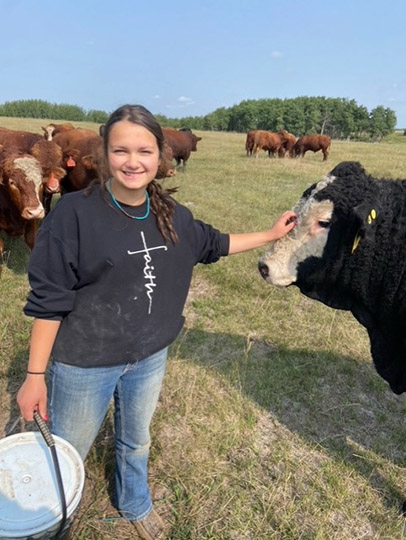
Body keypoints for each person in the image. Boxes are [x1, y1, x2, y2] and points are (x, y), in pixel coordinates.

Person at [17, 104, 296, 540]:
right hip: (85, 362)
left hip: (148, 356)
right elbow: (49, 301)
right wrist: (35, 376)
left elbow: (215, 243)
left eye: (144, 151)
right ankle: (49, 520)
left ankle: (135, 502)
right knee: (65, 451)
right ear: (103, 154)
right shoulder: (72, 215)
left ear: (159, 155)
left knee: (136, 439)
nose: (133, 161)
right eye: (121, 150)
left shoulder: (170, 214)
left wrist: (270, 234)